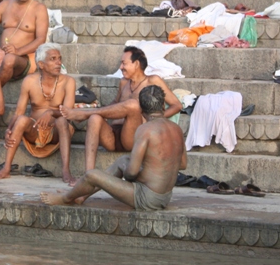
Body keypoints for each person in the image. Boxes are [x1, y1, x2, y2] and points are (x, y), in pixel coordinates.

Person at [41, 85, 186, 210]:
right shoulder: (177, 129)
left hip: (147, 199)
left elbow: (131, 174)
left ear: (141, 109)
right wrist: (154, 167)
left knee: (92, 175)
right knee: (123, 160)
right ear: (162, 106)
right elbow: (183, 164)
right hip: (165, 197)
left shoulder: (145, 130)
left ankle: (66, 198)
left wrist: (143, 172)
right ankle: (81, 196)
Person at [60, 46, 181, 171]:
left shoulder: (153, 80)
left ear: (137, 64)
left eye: (124, 63)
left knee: (133, 105)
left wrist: (154, 120)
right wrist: (101, 111)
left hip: (134, 137)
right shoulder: (124, 82)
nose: (120, 67)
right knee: (95, 118)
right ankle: (89, 173)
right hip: (113, 137)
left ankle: (84, 114)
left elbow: (177, 105)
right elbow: (116, 103)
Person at [0, 43, 77, 184]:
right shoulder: (29, 81)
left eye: (59, 58)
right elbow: (19, 112)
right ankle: (6, 168)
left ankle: (66, 172)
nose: (58, 62)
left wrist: (51, 113)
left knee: (62, 121)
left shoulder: (68, 82)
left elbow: (69, 113)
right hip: (34, 132)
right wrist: (9, 130)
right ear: (41, 64)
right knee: (22, 120)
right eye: (53, 59)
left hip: (56, 132)